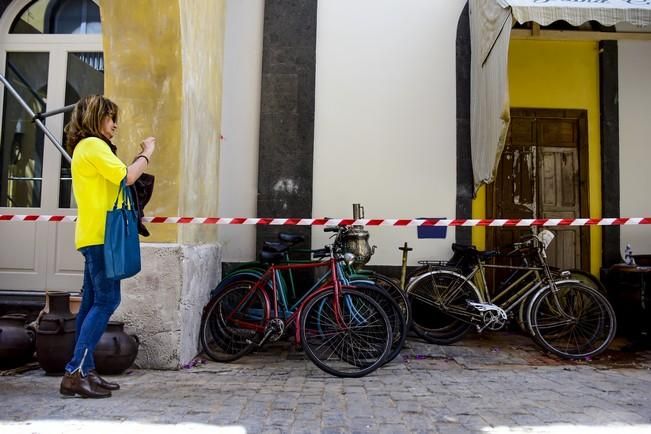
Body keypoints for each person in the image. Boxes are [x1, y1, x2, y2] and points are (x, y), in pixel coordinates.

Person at [59, 95, 155, 398]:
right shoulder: (93, 146)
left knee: (90, 304)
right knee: (106, 301)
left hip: (93, 235)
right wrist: (147, 153)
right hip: (102, 238)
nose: (114, 125)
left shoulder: (86, 148)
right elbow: (126, 176)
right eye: (110, 118)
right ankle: (75, 371)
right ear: (96, 118)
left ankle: (83, 371)